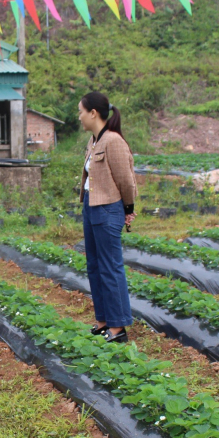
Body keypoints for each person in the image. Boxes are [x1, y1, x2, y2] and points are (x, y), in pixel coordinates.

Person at [78, 92, 137, 344]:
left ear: (93, 113)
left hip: (108, 208)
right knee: (94, 265)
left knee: (111, 266)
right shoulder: (93, 141)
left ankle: (117, 326)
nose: (79, 116)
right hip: (91, 206)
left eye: (81, 111)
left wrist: (128, 208)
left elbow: (125, 178)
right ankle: (103, 320)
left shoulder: (113, 141)